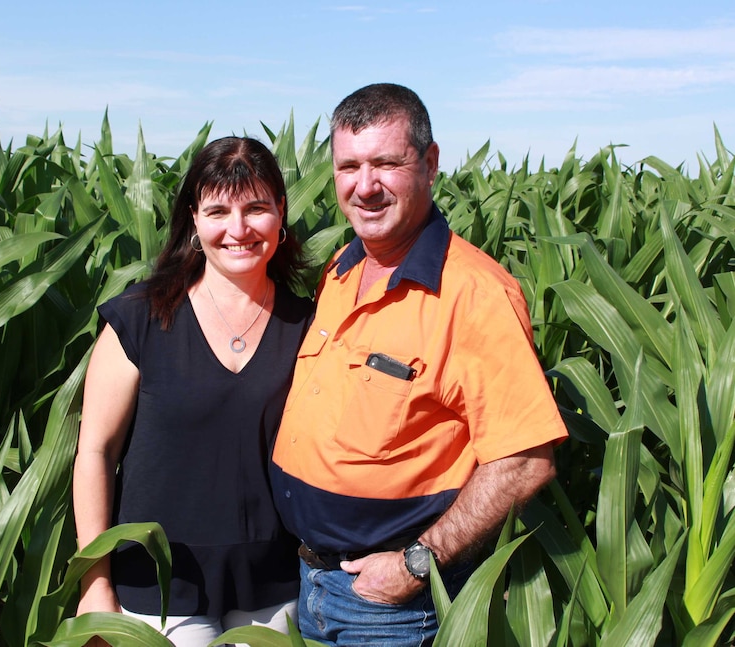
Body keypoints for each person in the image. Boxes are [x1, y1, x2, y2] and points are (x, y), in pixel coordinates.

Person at [270, 83, 569, 646]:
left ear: (430, 164)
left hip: (391, 610)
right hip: (309, 583)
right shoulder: (341, 268)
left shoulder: (474, 294)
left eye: (387, 163)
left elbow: (526, 460)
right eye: (349, 166)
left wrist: (414, 564)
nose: (365, 186)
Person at [73, 136, 313, 646]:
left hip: (274, 585)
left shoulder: (308, 325)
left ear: (281, 212)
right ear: (194, 219)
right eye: (218, 210)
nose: (238, 229)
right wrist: (95, 585)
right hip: (156, 587)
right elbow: (95, 452)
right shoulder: (139, 319)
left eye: (256, 208)